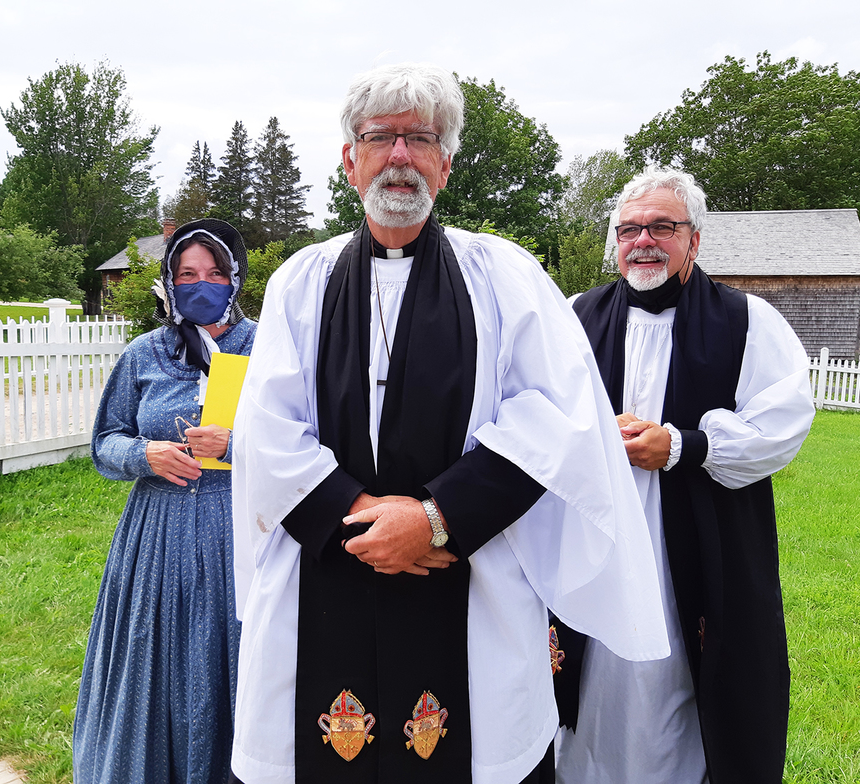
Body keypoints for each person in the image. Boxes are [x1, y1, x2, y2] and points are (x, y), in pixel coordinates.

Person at [229, 63, 669, 784]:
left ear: (445, 164)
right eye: (380, 137)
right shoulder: (301, 281)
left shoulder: (503, 274)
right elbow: (267, 428)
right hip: (324, 577)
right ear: (349, 160)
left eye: (420, 139)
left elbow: (553, 415)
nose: (399, 155)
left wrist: (436, 517)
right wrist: (367, 519)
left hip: (469, 572)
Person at [553, 166, 816, 783]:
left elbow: (782, 423)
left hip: (695, 543)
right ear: (614, 242)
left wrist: (681, 445)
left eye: (662, 228)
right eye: (629, 229)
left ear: (693, 240)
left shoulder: (746, 321)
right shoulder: (574, 318)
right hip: (596, 538)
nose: (643, 241)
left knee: (670, 679)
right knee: (591, 683)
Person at [74, 219, 257, 784]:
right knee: (155, 657)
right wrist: (144, 455)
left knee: (236, 655)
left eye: (214, 273)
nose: (201, 284)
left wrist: (240, 445)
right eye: (187, 274)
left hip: (239, 529)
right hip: (157, 535)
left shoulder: (268, 347)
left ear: (235, 279)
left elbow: (311, 437)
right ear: (169, 283)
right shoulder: (145, 354)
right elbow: (105, 441)